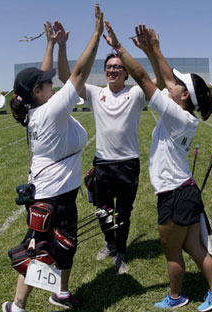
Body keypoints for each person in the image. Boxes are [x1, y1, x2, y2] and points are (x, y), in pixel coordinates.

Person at [102, 22, 212, 311]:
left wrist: (117, 48)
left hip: (174, 194)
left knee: (172, 252)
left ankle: (176, 297)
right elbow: (165, 75)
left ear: (183, 96)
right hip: (184, 190)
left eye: (176, 85)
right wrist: (153, 49)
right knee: (193, 247)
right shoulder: (182, 114)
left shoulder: (174, 115)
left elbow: (142, 76)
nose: (170, 83)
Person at [2, 5, 103, 312]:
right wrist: (96, 34)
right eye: (47, 83)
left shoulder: (37, 108)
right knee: (40, 250)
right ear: (38, 91)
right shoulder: (50, 111)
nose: (52, 84)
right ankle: (17, 306)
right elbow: (78, 73)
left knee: (64, 245)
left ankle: (61, 292)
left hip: (59, 194)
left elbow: (44, 76)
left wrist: (54, 44)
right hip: (52, 197)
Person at [57, 18, 147, 276]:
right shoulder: (96, 93)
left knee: (124, 212)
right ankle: (110, 243)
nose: (112, 70)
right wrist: (62, 47)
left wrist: (120, 49)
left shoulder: (136, 94)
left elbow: (152, 81)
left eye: (117, 67)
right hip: (103, 164)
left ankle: (121, 253)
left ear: (126, 71)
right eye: (108, 67)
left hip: (129, 163)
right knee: (103, 210)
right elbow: (66, 77)